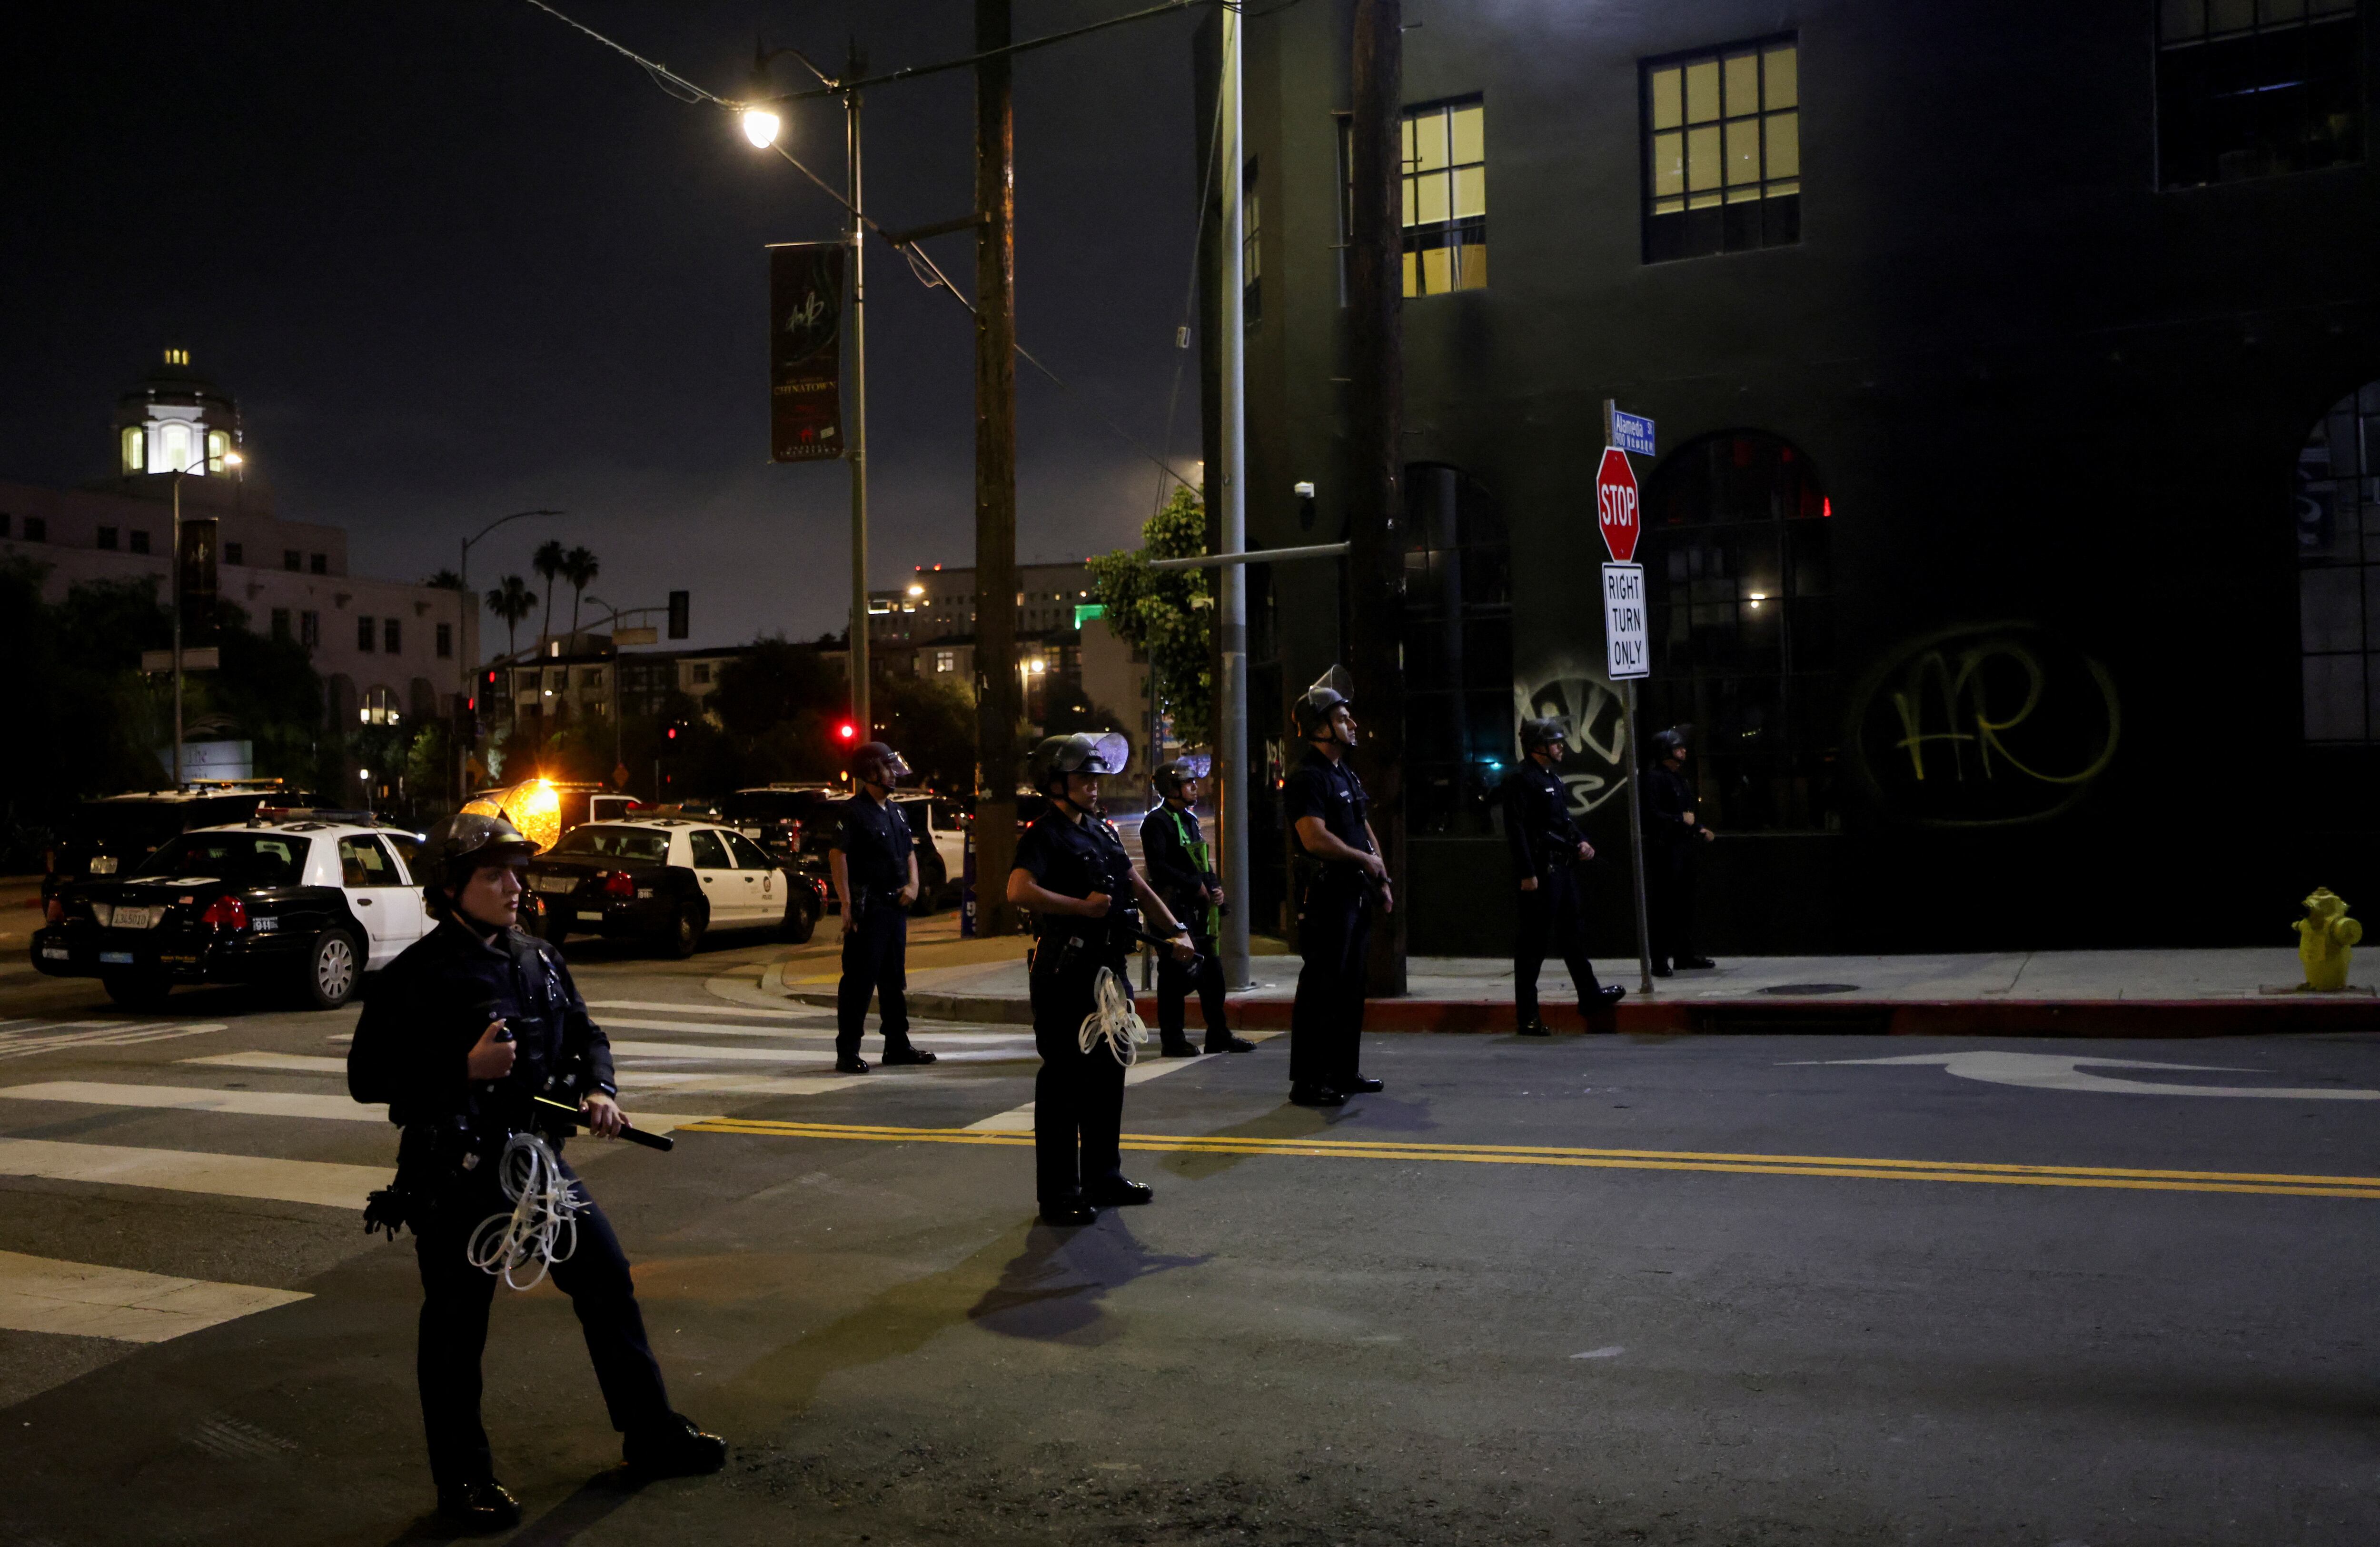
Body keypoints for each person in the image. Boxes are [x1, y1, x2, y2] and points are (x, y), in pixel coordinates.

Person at [348, 813, 723, 1533]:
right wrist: (463, 1069)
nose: (515, 885)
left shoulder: (540, 958)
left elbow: (586, 1035)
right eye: (496, 874)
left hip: (538, 1169)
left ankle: (649, 1433)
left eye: (516, 871)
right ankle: (462, 1481)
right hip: (456, 1174)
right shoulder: (416, 978)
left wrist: (599, 1091)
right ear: (453, 888)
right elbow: (368, 1078)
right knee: (457, 1328)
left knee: (608, 1279)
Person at [1006, 734, 1199, 1227]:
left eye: (1095, 778)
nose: (1094, 787)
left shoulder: (1102, 830)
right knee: (1063, 1083)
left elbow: (1135, 883)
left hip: (1107, 970)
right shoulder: (1043, 834)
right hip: (1065, 971)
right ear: (1055, 782)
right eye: (1083, 779)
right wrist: (1081, 908)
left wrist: (1174, 930)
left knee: (1107, 1076)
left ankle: (1101, 1176)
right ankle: (1059, 1193)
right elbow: (1018, 890)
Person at [1282, 682, 1391, 1108]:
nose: (1352, 723)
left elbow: (1362, 826)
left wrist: (1381, 876)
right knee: (1321, 988)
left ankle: (1344, 1070)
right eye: (1343, 718)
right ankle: (1308, 1081)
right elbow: (1314, 837)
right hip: (1327, 895)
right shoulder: (1307, 776)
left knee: (1350, 987)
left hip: (1356, 893)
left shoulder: (1344, 771)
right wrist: (1363, 862)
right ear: (1320, 726)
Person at [1504, 719, 1627, 1033]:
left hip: (1562, 867)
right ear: (1538, 746)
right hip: (1541, 871)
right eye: (1556, 742)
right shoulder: (1521, 779)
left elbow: (1564, 821)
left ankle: (1590, 995)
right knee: (1533, 944)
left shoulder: (1552, 779)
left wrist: (1581, 842)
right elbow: (1517, 831)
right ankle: (1528, 1016)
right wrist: (1527, 873)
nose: (1562, 746)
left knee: (1573, 934)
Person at [829, 742, 937, 1074]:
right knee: (859, 982)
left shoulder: (896, 811)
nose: (894, 774)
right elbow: (839, 856)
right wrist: (846, 905)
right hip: (869, 907)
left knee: (893, 979)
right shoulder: (853, 812)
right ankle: (848, 1051)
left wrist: (914, 885)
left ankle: (897, 1044)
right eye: (888, 768)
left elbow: (909, 853)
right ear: (871, 772)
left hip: (895, 909)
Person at [1139, 759, 1255, 1057]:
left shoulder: (1190, 820)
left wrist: (1216, 892)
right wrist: (1195, 887)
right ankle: (1173, 1039)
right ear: (1171, 788)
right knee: (1175, 976)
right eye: (1188, 783)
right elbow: (1159, 867)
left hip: (1199, 913)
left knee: (1213, 975)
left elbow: (1201, 863)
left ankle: (1219, 1034)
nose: (1195, 787)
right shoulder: (1156, 822)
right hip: (1173, 912)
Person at [1641, 728, 1717, 976]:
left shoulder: (1680, 779)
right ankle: (1660, 960)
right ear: (1666, 752)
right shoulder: (1654, 779)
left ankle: (1684, 955)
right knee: (1664, 905)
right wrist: (1679, 821)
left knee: (1685, 903)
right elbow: (1652, 815)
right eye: (1678, 748)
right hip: (1666, 849)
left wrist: (1699, 828)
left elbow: (1688, 814)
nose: (1683, 751)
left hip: (1683, 847)